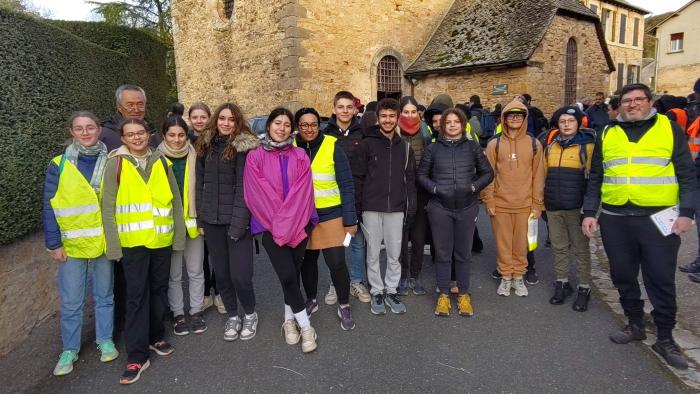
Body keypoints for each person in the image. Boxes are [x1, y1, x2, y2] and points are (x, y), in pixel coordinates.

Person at [582, 83, 696, 370]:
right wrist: (589, 212)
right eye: (626, 101)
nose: (632, 105)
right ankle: (635, 324)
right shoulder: (608, 132)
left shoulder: (668, 129)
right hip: (615, 218)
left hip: (658, 218)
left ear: (650, 102)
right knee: (623, 275)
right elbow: (597, 175)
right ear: (619, 105)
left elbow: (686, 173)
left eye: (638, 100)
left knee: (660, 278)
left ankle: (666, 338)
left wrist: (687, 213)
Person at [101, 117, 186, 384]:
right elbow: (108, 207)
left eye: (141, 133)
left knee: (159, 290)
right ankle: (137, 355)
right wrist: (113, 246)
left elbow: (176, 200)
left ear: (148, 135)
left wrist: (179, 237)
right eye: (131, 134)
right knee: (136, 297)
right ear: (123, 138)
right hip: (133, 244)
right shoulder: (115, 163)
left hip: (161, 241)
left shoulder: (161, 161)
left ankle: (155, 337)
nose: (137, 138)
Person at [43, 112, 118, 376]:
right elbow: (49, 204)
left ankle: (105, 339)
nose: (85, 132)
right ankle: (69, 349)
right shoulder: (59, 164)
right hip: (72, 244)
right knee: (72, 300)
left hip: (102, 241)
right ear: (72, 132)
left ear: (98, 130)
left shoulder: (111, 161)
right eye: (79, 128)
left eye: (90, 127)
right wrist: (53, 242)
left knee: (104, 295)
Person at [244, 107, 319, 353]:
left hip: (299, 224)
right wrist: (281, 223)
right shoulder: (255, 157)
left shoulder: (300, 156)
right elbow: (258, 194)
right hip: (269, 226)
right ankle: (306, 326)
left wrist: (291, 222)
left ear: (292, 129)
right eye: (278, 123)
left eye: (287, 124)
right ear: (269, 126)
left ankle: (288, 321)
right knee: (287, 275)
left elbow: (303, 192)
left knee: (293, 275)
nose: (282, 128)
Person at [417, 108, 493, 317]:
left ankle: (463, 294)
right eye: (447, 122)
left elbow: (488, 173)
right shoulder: (433, 149)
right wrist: (434, 189)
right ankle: (443, 294)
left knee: (463, 253)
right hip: (440, 207)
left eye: (455, 122)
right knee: (442, 253)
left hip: (467, 207)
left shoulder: (472, 147)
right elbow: (421, 175)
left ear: (462, 124)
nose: (451, 125)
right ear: (442, 126)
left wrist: (473, 187)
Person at [196, 103, 260, 342]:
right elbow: (199, 182)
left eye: (231, 119)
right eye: (222, 118)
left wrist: (239, 223)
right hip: (212, 221)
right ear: (216, 120)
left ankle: (250, 313)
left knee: (241, 276)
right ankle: (233, 315)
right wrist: (202, 216)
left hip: (237, 222)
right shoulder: (205, 145)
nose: (225, 123)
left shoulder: (244, 149)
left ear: (238, 122)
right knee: (222, 275)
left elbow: (246, 189)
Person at [294, 107, 358, 330]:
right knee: (307, 263)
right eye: (304, 125)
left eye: (313, 124)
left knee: (337, 263)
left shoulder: (332, 145)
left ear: (318, 125)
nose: (309, 129)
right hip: (303, 218)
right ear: (298, 127)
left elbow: (347, 184)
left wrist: (350, 220)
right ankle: (311, 299)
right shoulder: (292, 148)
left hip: (331, 215)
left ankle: (344, 303)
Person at [357, 98, 417, 315]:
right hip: (371, 206)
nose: (388, 120)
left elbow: (410, 181)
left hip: (397, 208)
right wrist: (357, 208)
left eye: (392, 116)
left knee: (394, 253)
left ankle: (391, 289)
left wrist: (411, 208)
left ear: (398, 117)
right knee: (372, 253)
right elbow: (359, 178)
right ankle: (376, 290)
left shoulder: (406, 147)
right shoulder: (367, 144)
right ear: (378, 117)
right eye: (384, 116)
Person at [481, 100, 544, 297]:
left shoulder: (534, 144)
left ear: (525, 118)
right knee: (503, 243)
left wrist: (537, 204)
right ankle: (506, 277)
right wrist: (489, 200)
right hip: (500, 204)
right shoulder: (494, 144)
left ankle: (519, 276)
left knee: (521, 244)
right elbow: (488, 175)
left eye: (519, 115)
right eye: (510, 115)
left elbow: (538, 176)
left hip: (525, 205)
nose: (515, 118)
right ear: (504, 119)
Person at [157, 110, 207, 336]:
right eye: (172, 135)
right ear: (164, 136)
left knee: (196, 271)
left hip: (193, 222)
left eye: (181, 135)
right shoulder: (155, 159)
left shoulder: (195, 155)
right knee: (174, 274)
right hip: (169, 225)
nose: (177, 139)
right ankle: (178, 314)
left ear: (187, 136)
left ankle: (196, 312)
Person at [544, 106, 595, 310]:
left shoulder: (588, 147)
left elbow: (594, 179)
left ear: (578, 122)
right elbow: (544, 176)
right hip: (553, 205)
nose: (566, 124)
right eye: (562, 121)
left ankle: (584, 287)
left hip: (577, 207)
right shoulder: (551, 146)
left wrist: (589, 210)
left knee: (581, 249)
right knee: (558, 247)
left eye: (570, 121)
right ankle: (562, 282)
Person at [324, 91, 371, 304]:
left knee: (357, 242)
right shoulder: (325, 135)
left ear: (355, 109)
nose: (344, 111)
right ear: (333, 109)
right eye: (340, 107)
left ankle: (356, 281)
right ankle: (336, 282)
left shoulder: (364, 133)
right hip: (334, 198)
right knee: (336, 245)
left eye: (348, 107)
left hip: (359, 195)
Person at [186, 102, 219, 311]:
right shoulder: (185, 141)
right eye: (195, 117)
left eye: (203, 117)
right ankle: (206, 292)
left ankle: (220, 291)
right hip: (194, 202)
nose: (199, 121)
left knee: (217, 252)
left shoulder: (216, 141)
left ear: (209, 118)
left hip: (214, 201)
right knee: (201, 255)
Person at [397, 96, 429, 296]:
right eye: (406, 112)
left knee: (418, 238)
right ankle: (402, 275)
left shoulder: (426, 137)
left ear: (419, 113)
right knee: (400, 238)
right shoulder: (394, 136)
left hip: (420, 194)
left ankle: (415, 275)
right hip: (400, 195)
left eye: (413, 112)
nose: (409, 116)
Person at [100, 85, 160, 151]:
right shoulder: (105, 135)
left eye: (140, 104)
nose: (136, 110)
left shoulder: (152, 131)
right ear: (119, 107)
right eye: (130, 105)